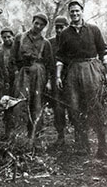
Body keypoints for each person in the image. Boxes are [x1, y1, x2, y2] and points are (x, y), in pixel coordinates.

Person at [56, 0, 107, 158]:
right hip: (73, 72)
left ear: (82, 11)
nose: (74, 14)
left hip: (91, 70)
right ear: (69, 13)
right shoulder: (65, 33)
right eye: (71, 11)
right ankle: (82, 146)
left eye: (77, 11)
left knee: (95, 106)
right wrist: (58, 76)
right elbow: (60, 57)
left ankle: (102, 146)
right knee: (75, 108)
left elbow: (104, 52)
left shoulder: (93, 29)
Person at [10, 12, 54, 138]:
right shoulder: (20, 37)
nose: (38, 26)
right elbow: (12, 59)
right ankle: (20, 134)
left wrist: (49, 81)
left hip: (39, 74)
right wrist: (16, 73)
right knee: (20, 102)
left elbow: (50, 64)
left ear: (44, 27)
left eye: (41, 25)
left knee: (37, 103)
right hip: (23, 74)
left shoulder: (46, 43)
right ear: (32, 22)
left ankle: (35, 135)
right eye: (36, 23)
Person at [48, 16, 69, 145]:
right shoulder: (50, 43)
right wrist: (50, 81)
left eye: (62, 27)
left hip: (71, 79)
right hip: (56, 78)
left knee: (74, 107)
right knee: (58, 108)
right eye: (57, 27)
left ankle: (78, 135)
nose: (59, 30)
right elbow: (48, 63)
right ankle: (61, 135)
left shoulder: (72, 41)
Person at [0, 27, 15, 93]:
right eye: (4, 37)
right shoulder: (0, 49)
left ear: (13, 36)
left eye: (9, 37)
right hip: (5, 77)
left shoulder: (18, 47)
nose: (7, 39)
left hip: (17, 75)